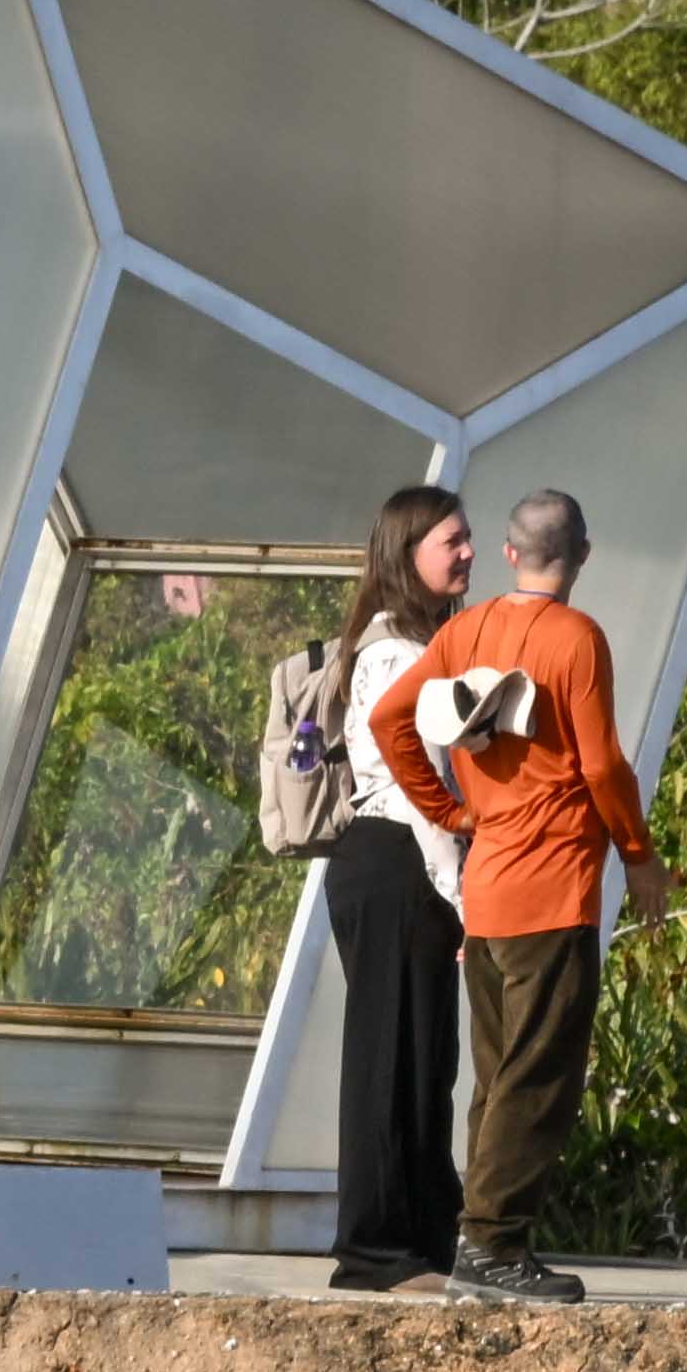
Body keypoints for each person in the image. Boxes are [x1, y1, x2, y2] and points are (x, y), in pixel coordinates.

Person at [360, 484, 648, 1308]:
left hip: (485, 893)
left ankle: (482, 1240)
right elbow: (600, 767)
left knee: (496, 1078)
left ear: (514, 555)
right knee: (539, 1077)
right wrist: (640, 852)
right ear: (583, 554)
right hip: (553, 893)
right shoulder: (576, 639)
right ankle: (491, 1245)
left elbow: (389, 721)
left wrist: (452, 809)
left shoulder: (467, 628)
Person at [303, 486, 473, 1292]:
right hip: (398, 857)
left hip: (404, 864)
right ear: (410, 553)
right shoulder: (394, 654)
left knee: (424, 1055)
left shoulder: (420, 643)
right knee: (388, 1053)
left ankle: (426, 1236)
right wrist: (460, 894)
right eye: (454, 541)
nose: (467, 554)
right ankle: (374, 1253)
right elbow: (414, 786)